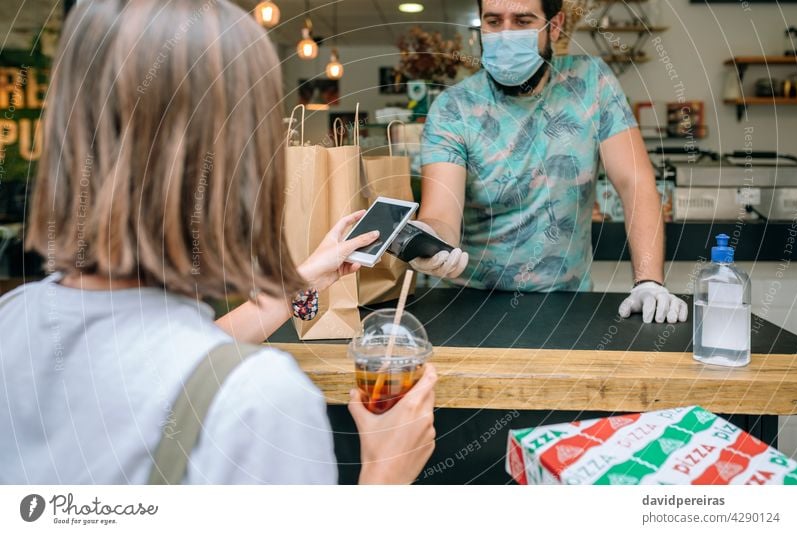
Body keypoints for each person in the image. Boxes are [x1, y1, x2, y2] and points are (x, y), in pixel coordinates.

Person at [0, 0, 435, 485]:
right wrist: (385, 473)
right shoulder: (258, 402)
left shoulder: (15, 316)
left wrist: (307, 275)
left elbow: (168, 358)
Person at [410, 0, 688, 324]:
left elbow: (635, 183)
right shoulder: (454, 108)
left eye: (523, 21)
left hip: (568, 305)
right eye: (494, 22)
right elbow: (442, 214)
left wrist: (649, 281)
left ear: (553, 26)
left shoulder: (592, 83)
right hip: (470, 305)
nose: (506, 34)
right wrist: (428, 242)